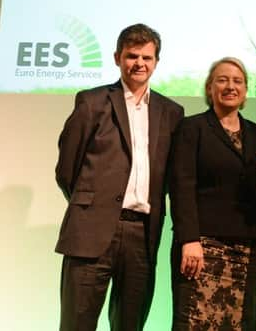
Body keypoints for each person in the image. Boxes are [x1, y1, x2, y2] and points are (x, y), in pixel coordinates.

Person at [55, 23, 185, 330]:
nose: (139, 63)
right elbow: (67, 169)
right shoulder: (92, 102)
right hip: (91, 231)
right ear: (117, 58)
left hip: (142, 234)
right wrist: (92, 207)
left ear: (156, 62)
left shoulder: (171, 112)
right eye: (132, 56)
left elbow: (172, 177)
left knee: (130, 323)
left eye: (147, 57)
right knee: (77, 322)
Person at [169, 57, 256, 330]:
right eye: (222, 80)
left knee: (243, 323)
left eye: (238, 81)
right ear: (209, 88)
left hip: (248, 247)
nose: (231, 86)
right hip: (203, 246)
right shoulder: (192, 128)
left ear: (245, 90)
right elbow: (182, 186)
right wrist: (189, 239)